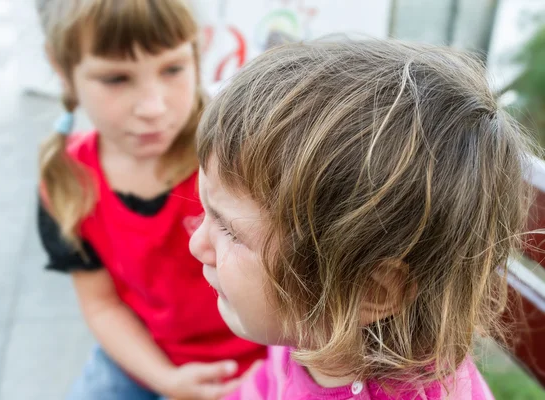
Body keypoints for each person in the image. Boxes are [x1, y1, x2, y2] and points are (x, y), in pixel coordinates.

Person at [190, 39, 532, 399]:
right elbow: (269, 384)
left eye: (229, 230)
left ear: (369, 291)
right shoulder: (316, 325)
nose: (197, 245)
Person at [36, 1, 265, 399]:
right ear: (62, 68)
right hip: (144, 353)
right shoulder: (65, 182)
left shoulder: (241, 152)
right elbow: (102, 305)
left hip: (266, 355)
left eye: (172, 69)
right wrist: (166, 381)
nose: (153, 107)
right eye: (116, 78)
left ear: (199, 50)